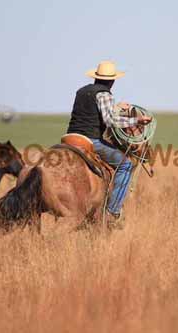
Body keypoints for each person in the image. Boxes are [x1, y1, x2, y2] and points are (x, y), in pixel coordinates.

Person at [66, 61, 152, 223]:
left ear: (96, 78)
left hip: (70, 137)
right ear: (112, 81)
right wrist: (137, 121)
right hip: (89, 140)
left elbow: (92, 110)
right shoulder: (104, 95)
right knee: (125, 165)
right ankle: (113, 211)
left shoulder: (82, 92)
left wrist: (117, 106)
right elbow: (110, 120)